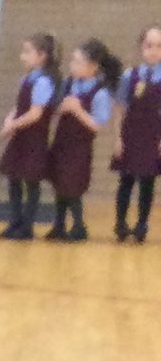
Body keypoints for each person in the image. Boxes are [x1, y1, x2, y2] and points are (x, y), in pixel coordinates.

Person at [45, 39, 121, 243]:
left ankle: (79, 225)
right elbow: (55, 109)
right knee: (59, 183)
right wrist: (62, 107)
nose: (73, 66)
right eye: (72, 61)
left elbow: (96, 125)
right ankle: (59, 225)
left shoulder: (100, 92)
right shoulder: (68, 83)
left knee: (72, 186)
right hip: (61, 142)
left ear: (93, 67)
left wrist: (77, 110)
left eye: (78, 62)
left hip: (79, 147)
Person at [0, 33, 59, 238]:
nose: (22, 56)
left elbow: (35, 114)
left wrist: (13, 124)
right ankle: (15, 221)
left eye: (27, 52)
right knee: (13, 178)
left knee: (31, 182)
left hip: (34, 138)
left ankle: (27, 226)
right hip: (21, 136)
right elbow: (19, 106)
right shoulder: (27, 79)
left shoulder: (43, 82)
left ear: (42, 55)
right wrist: (9, 120)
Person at [112, 25, 161, 242]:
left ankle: (142, 225)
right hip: (131, 134)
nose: (154, 51)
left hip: (153, 135)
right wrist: (117, 137)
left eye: (159, 46)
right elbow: (119, 107)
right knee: (126, 180)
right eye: (149, 45)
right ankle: (121, 224)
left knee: (147, 182)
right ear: (141, 47)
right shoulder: (129, 75)